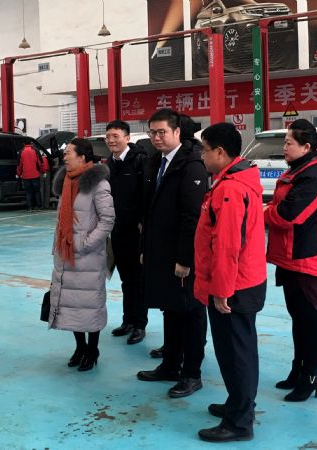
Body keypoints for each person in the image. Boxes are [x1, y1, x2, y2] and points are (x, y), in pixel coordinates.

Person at [193, 123, 266, 442]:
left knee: (236, 353)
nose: (202, 156)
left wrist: (222, 290)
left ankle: (239, 423)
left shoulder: (231, 189)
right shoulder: (233, 180)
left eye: (205, 150)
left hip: (234, 285)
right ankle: (239, 403)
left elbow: (227, 245)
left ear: (220, 152)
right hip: (241, 280)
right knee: (238, 349)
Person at [137, 108, 208, 398]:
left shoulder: (191, 165)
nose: (156, 137)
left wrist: (184, 259)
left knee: (191, 311)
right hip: (161, 250)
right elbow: (148, 212)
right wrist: (146, 248)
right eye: (152, 132)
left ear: (177, 132)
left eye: (162, 132)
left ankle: (192, 373)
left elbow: (192, 217)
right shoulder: (157, 162)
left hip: (182, 255)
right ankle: (170, 365)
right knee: (171, 308)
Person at [264, 118, 317, 402]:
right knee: (298, 318)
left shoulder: (313, 175)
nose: (284, 147)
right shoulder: (298, 170)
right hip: (290, 257)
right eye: (284, 142)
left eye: (289, 143)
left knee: (309, 319)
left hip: (306, 258)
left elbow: (288, 214)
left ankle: (310, 376)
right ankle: (298, 369)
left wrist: (261, 212)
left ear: (306, 147)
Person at [49, 138, 115, 372]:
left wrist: (85, 244)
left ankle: (92, 349)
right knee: (71, 304)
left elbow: (107, 220)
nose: (64, 156)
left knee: (90, 303)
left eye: (69, 153)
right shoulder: (66, 181)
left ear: (83, 157)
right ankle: (80, 346)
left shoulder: (99, 184)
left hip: (88, 256)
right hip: (66, 254)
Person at [105, 120, 148, 345]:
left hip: (136, 231)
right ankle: (128, 321)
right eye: (108, 137)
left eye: (116, 136)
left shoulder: (140, 161)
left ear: (127, 138)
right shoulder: (109, 164)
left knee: (138, 279)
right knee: (125, 279)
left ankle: (140, 324)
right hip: (117, 229)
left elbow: (147, 194)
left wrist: (143, 221)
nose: (111, 140)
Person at [17, 143, 42, 210]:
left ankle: (30, 207)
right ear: (31, 143)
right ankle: (39, 206)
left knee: (28, 192)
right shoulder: (35, 150)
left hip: (26, 176)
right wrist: (42, 170)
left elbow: (19, 164)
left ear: (24, 144)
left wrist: (18, 173)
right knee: (37, 191)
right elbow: (40, 162)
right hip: (35, 175)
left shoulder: (21, 151)